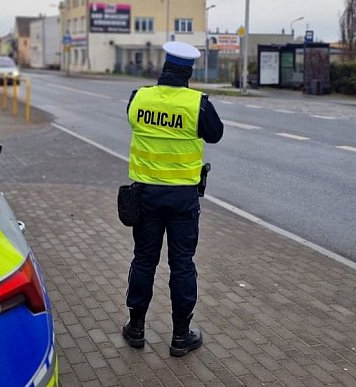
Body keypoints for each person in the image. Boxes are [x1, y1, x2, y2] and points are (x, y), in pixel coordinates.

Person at [122, 41, 224, 357]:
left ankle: (136, 328)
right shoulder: (198, 105)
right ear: (189, 71)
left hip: (146, 196)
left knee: (143, 260)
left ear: (163, 68)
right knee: (181, 264)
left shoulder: (139, 98)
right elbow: (216, 134)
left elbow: (132, 120)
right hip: (182, 198)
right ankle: (181, 336)